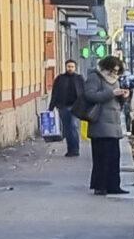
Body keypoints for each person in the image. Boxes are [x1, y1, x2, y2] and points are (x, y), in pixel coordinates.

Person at [77, 57, 125, 196]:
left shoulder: (115, 80)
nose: (115, 72)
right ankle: (100, 186)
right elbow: (90, 95)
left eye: (117, 70)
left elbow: (116, 100)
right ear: (107, 67)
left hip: (114, 123)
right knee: (101, 157)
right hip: (100, 123)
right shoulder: (95, 77)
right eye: (113, 69)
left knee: (114, 157)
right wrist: (112, 93)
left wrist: (123, 96)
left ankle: (114, 185)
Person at [49, 58, 83, 156]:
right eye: (68, 67)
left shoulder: (79, 78)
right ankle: (70, 149)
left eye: (72, 67)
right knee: (67, 129)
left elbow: (84, 93)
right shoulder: (60, 78)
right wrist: (51, 107)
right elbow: (54, 93)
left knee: (74, 126)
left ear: (75, 68)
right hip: (63, 107)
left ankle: (76, 149)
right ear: (65, 67)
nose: (70, 68)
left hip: (76, 107)